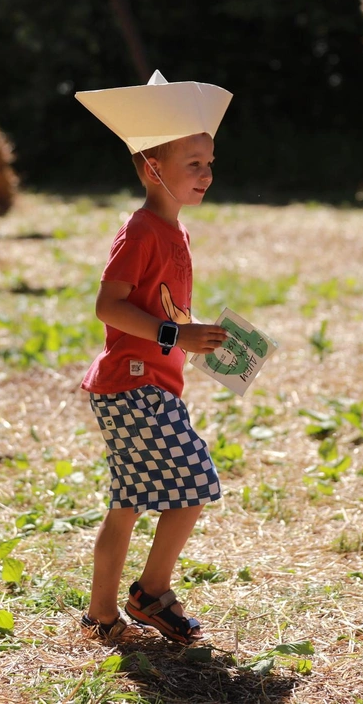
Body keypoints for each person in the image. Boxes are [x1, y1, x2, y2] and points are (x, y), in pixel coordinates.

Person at [74, 71, 232, 644]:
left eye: (209, 162)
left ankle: (101, 617)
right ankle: (150, 594)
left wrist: (198, 336)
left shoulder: (175, 233)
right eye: (194, 163)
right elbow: (109, 307)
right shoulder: (140, 232)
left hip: (147, 385)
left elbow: (161, 308)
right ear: (152, 168)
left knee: (128, 502)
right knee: (194, 484)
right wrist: (174, 337)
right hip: (133, 384)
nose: (207, 174)